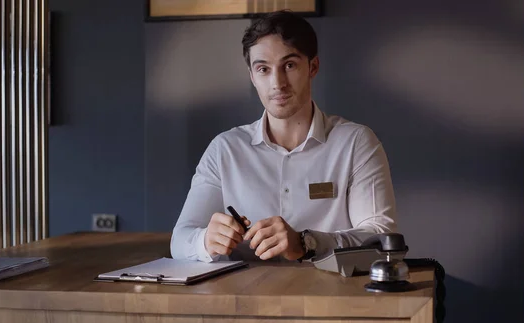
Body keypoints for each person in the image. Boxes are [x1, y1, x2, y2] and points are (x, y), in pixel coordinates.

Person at [170, 10, 397, 263]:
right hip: (243, 299)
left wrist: (306, 242)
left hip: (333, 299)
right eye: (264, 69)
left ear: (313, 67)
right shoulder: (224, 150)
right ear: (252, 77)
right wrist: (206, 241)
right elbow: (180, 241)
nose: (277, 83)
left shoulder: (356, 143)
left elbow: (382, 239)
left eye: (289, 65)